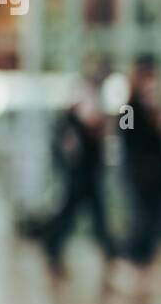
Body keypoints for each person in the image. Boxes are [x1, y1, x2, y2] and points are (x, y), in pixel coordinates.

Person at [43, 82, 112, 274]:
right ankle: (52, 246)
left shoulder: (89, 123)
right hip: (79, 179)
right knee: (72, 217)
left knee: (94, 219)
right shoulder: (70, 123)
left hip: (87, 178)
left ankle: (111, 257)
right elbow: (69, 151)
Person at [117, 59, 161, 289]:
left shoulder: (153, 109)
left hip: (156, 174)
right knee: (141, 218)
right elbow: (127, 135)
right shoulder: (129, 107)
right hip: (139, 172)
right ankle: (132, 262)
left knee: (154, 217)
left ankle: (146, 263)